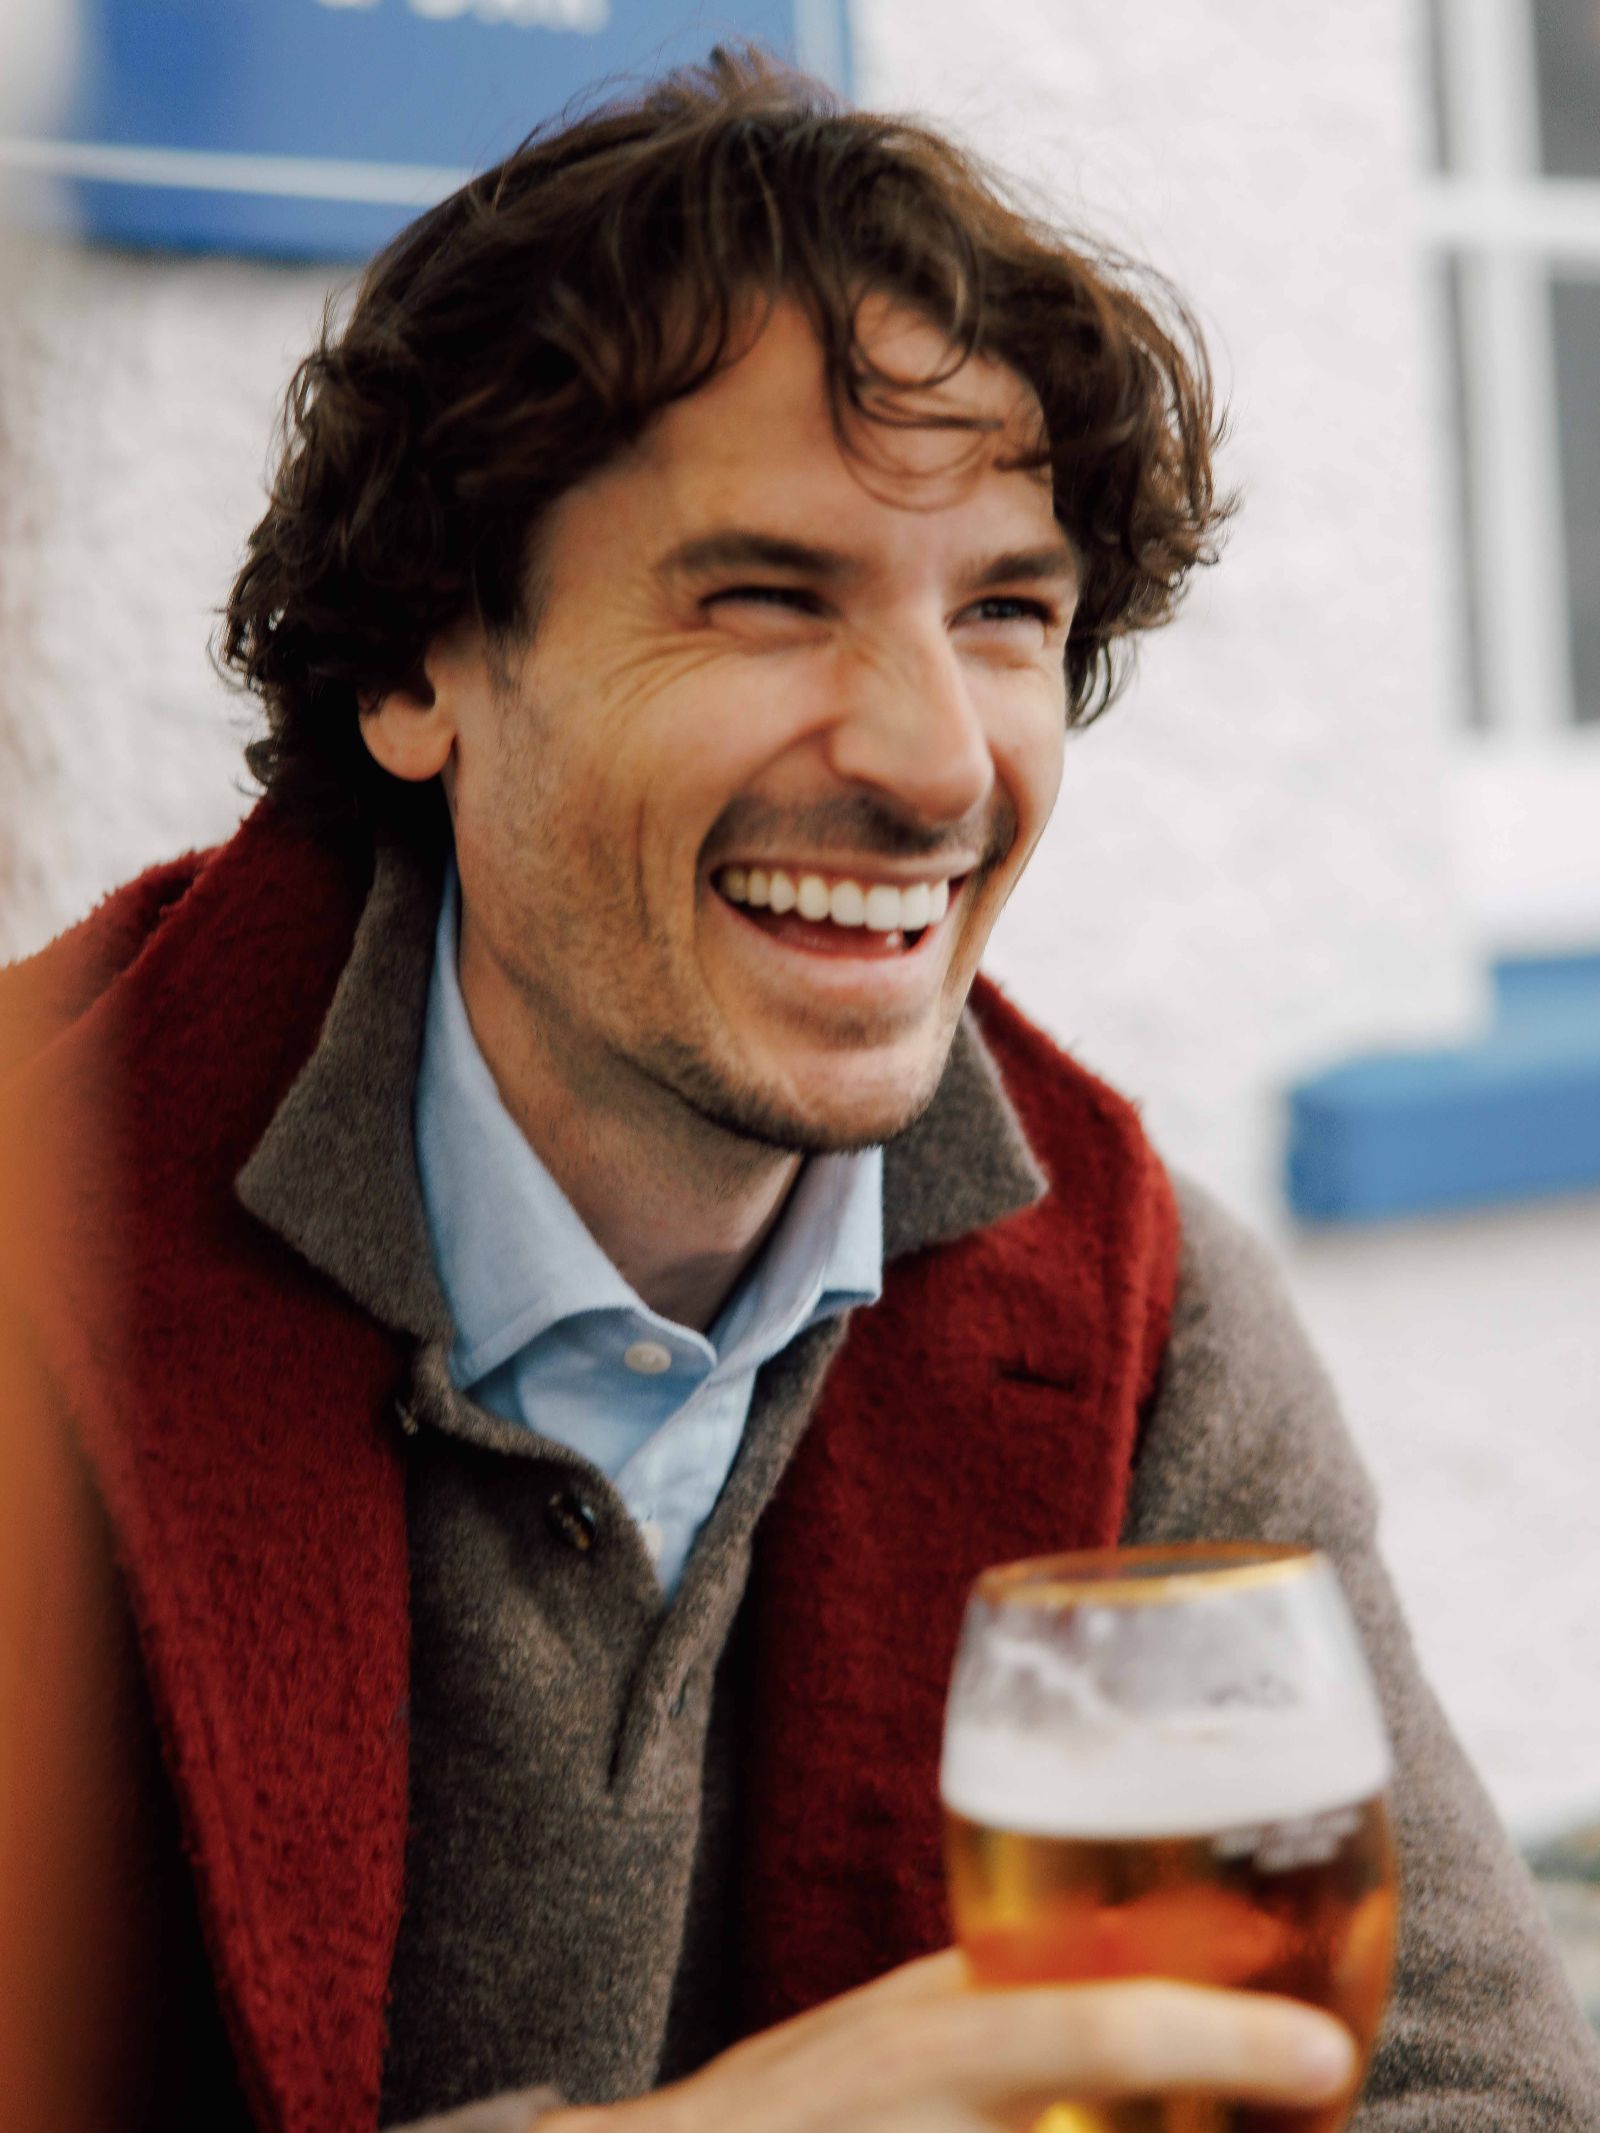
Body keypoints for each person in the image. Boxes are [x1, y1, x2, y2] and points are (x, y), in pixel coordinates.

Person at [0, 47, 1594, 2133]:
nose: (935, 764)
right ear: (415, 672)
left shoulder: (1130, 1303)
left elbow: (1470, 2095)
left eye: (1006, 612)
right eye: (765, 595)